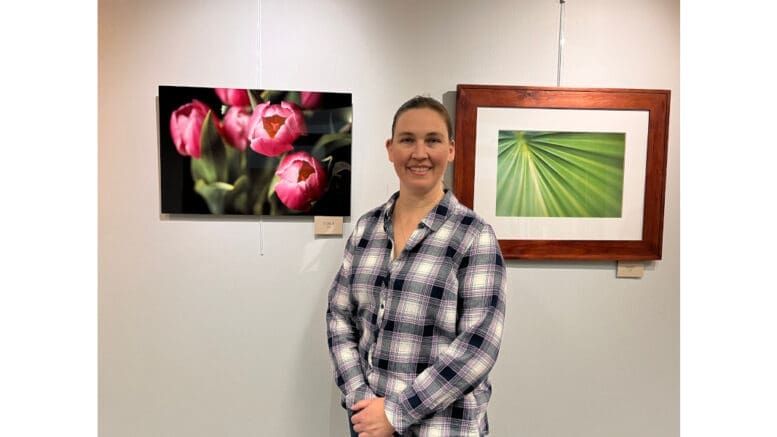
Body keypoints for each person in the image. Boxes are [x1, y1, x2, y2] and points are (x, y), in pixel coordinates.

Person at [326, 96, 506, 436]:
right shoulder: (366, 229)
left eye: (433, 140)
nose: (419, 153)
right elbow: (339, 318)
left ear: (450, 149)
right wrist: (361, 399)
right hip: (369, 425)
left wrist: (396, 413)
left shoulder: (474, 236)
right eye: (407, 140)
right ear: (390, 148)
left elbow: (478, 348)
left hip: (443, 428)